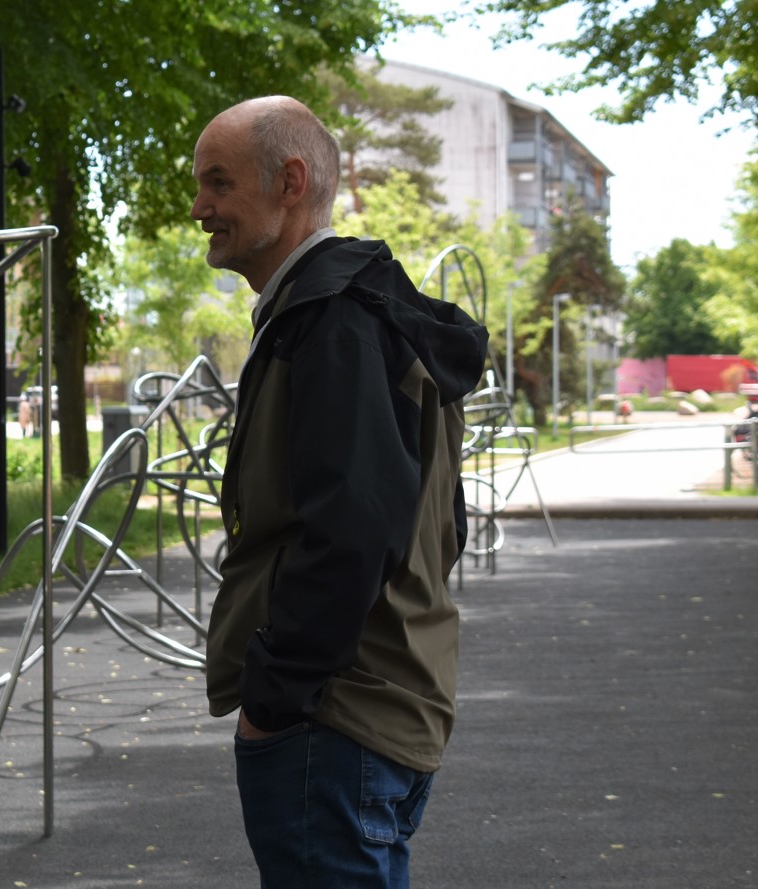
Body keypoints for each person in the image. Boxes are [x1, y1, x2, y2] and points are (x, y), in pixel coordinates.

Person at [190, 97, 488, 887]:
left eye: (218, 183)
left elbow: (354, 529)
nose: (199, 208)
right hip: (377, 703)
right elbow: (439, 520)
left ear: (290, 183)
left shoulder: (333, 323)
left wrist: (275, 697)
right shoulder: (355, 312)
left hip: (334, 718)